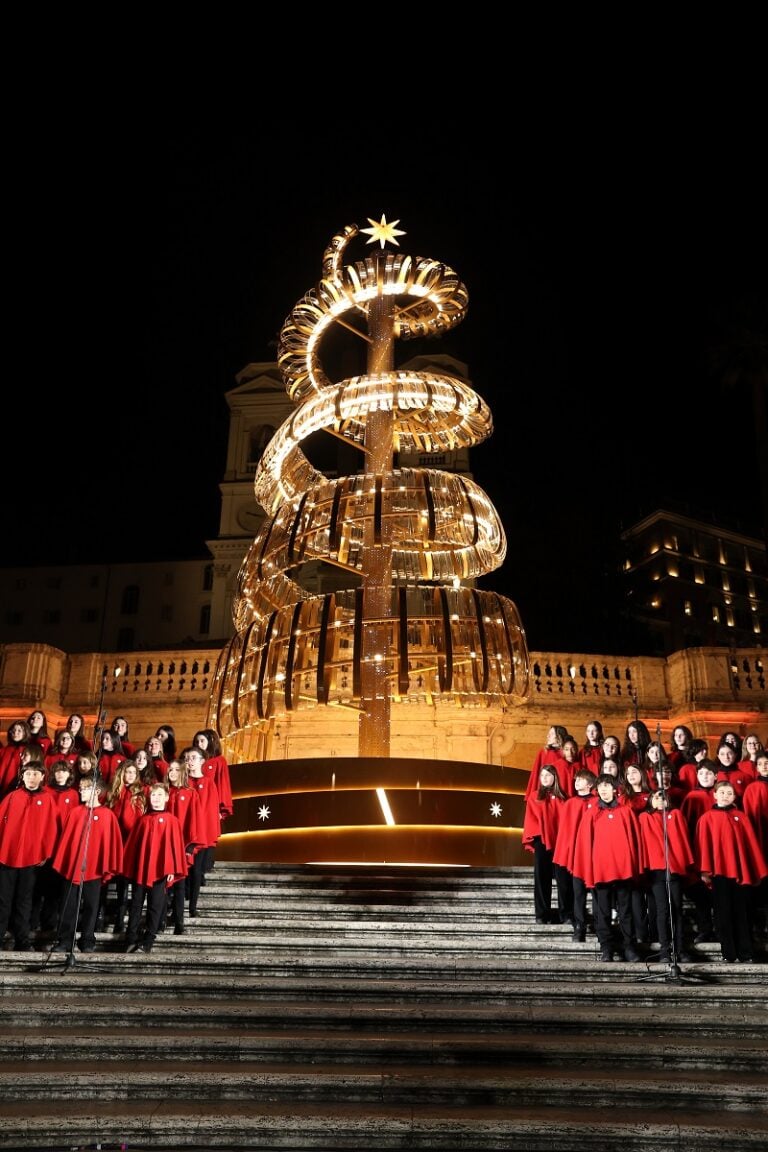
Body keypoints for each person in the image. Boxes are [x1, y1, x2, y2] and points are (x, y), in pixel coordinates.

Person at [572, 772, 644, 962]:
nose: (604, 790)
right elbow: (585, 845)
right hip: (600, 871)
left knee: (626, 911)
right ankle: (607, 947)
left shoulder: (625, 811)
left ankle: (629, 947)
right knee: (602, 912)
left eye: (607, 786)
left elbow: (634, 840)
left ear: (615, 789)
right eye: (600, 786)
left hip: (623, 870)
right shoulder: (591, 814)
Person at [694, 778, 768, 963]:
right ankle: (729, 953)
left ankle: (746, 952)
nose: (725, 796)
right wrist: (704, 871)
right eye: (722, 793)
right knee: (722, 913)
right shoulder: (706, 818)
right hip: (719, 873)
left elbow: (750, 845)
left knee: (742, 912)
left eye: (729, 793)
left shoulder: (741, 817)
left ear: (734, 796)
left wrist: (754, 869)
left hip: (740, 872)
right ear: (715, 794)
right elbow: (702, 846)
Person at [49, 773, 123, 955]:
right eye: (80, 788)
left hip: (95, 868)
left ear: (96, 791)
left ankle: (87, 939)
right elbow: (67, 840)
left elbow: (111, 843)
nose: (81, 791)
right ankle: (65, 940)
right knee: (69, 905)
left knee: (91, 905)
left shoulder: (107, 815)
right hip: (74, 867)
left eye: (85, 788)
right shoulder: (75, 812)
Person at [122, 781, 187, 953]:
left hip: (160, 870)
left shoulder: (172, 821)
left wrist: (172, 869)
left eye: (159, 795)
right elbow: (135, 846)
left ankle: (148, 939)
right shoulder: (142, 820)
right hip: (141, 870)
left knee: (155, 905)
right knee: (136, 903)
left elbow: (174, 847)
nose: (156, 799)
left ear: (166, 797)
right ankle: (131, 938)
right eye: (153, 795)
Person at [0, 759, 59, 950]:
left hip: (31, 859)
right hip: (7, 857)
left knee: (25, 901)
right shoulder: (12, 797)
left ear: (42, 776)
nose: (31, 777)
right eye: (28, 774)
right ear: (22, 776)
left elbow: (51, 829)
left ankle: (22, 940)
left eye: (35, 774)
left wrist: (45, 853)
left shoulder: (48, 799)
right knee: (3, 900)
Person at [638, 789, 697, 964]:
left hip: (674, 868)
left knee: (677, 909)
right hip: (657, 869)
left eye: (662, 796)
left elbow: (682, 839)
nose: (659, 800)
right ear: (650, 800)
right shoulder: (645, 817)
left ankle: (680, 949)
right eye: (655, 797)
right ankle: (665, 950)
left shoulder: (675, 814)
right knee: (662, 910)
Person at [552, 767, 598, 942]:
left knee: (595, 891)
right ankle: (579, 926)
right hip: (576, 854)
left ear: (590, 783)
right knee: (577, 891)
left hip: (593, 853)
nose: (576, 782)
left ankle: (598, 922)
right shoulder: (570, 803)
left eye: (580, 779)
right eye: (576, 779)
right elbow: (566, 831)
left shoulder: (596, 802)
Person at [522, 765, 568, 924]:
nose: (545, 778)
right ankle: (542, 914)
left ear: (555, 777)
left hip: (561, 841)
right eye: (542, 776)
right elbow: (532, 820)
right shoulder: (534, 796)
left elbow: (566, 821)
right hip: (541, 840)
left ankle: (566, 914)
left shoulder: (562, 798)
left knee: (563, 879)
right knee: (541, 877)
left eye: (548, 775)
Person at [106, 760, 147, 933]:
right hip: (116, 840)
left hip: (132, 841)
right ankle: (114, 919)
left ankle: (125, 920)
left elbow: (136, 820)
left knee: (129, 881)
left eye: (132, 773)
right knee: (119, 881)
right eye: (126, 772)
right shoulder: (114, 793)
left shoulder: (139, 793)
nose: (129, 776)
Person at [183, 746, 221, 918]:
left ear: (201, 761)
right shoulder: (183, 782)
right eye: (187, 758)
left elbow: (210, 811)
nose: (189, 761)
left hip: (201, 834)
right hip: (183, 832)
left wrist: (204, 835)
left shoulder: (208, 783)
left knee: (197, 870)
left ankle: (192, 906)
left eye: (193, 758)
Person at [166, 758, 203, 935]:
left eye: (175, 769)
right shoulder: (164, 791)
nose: (171, 773)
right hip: (165, 844)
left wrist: (190, 846)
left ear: (182, 772)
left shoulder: (190, 793)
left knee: (179, 884)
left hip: (182, 844)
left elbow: (195, 820)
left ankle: (179, 922)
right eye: (169, 770)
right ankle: (163, 918)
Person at [0, 720, 31, 799]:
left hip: (18, 788)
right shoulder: (3, 750)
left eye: (19, 730)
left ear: (25, 733)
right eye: (13, 730)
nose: (15, 732)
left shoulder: (28, 751)